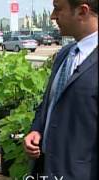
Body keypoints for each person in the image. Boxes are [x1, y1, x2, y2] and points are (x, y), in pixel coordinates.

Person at [23, 0, 98, 179]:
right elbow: (50, 103)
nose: (52, 16)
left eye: (58, 8)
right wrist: (37, 129)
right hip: (46, 170)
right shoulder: (65, 54)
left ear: (82, 11)